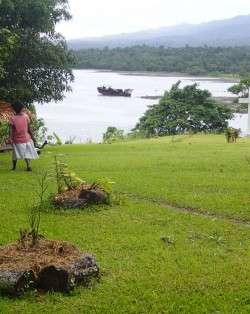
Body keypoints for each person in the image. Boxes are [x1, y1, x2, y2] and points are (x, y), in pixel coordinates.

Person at [9, 101, 38, 171]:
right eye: (23, 108)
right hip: (26, 139)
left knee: (15, 154)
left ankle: (14, 167)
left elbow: (10, 130)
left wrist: (10, 138)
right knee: (27, 153)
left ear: (15, 109)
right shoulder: (26, 116)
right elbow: (29, 129)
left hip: (17, 140)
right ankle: (28, 166)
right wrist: (33, 138)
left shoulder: (12, 118)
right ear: (20, 108)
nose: (24, 109)